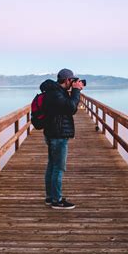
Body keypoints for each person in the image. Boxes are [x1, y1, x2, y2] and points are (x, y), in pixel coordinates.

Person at [40, 68, 84, 209]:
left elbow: (66, 106)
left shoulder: (55, 92)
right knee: (58, 168)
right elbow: (71, 107)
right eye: (72, 80)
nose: (74, 83)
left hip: (53, 133)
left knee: (52, 166)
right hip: (58, 135)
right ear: (67, 80)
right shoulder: (56, 94)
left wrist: (73, 91)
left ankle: (50, 196)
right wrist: (76, 91)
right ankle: (57, 200)